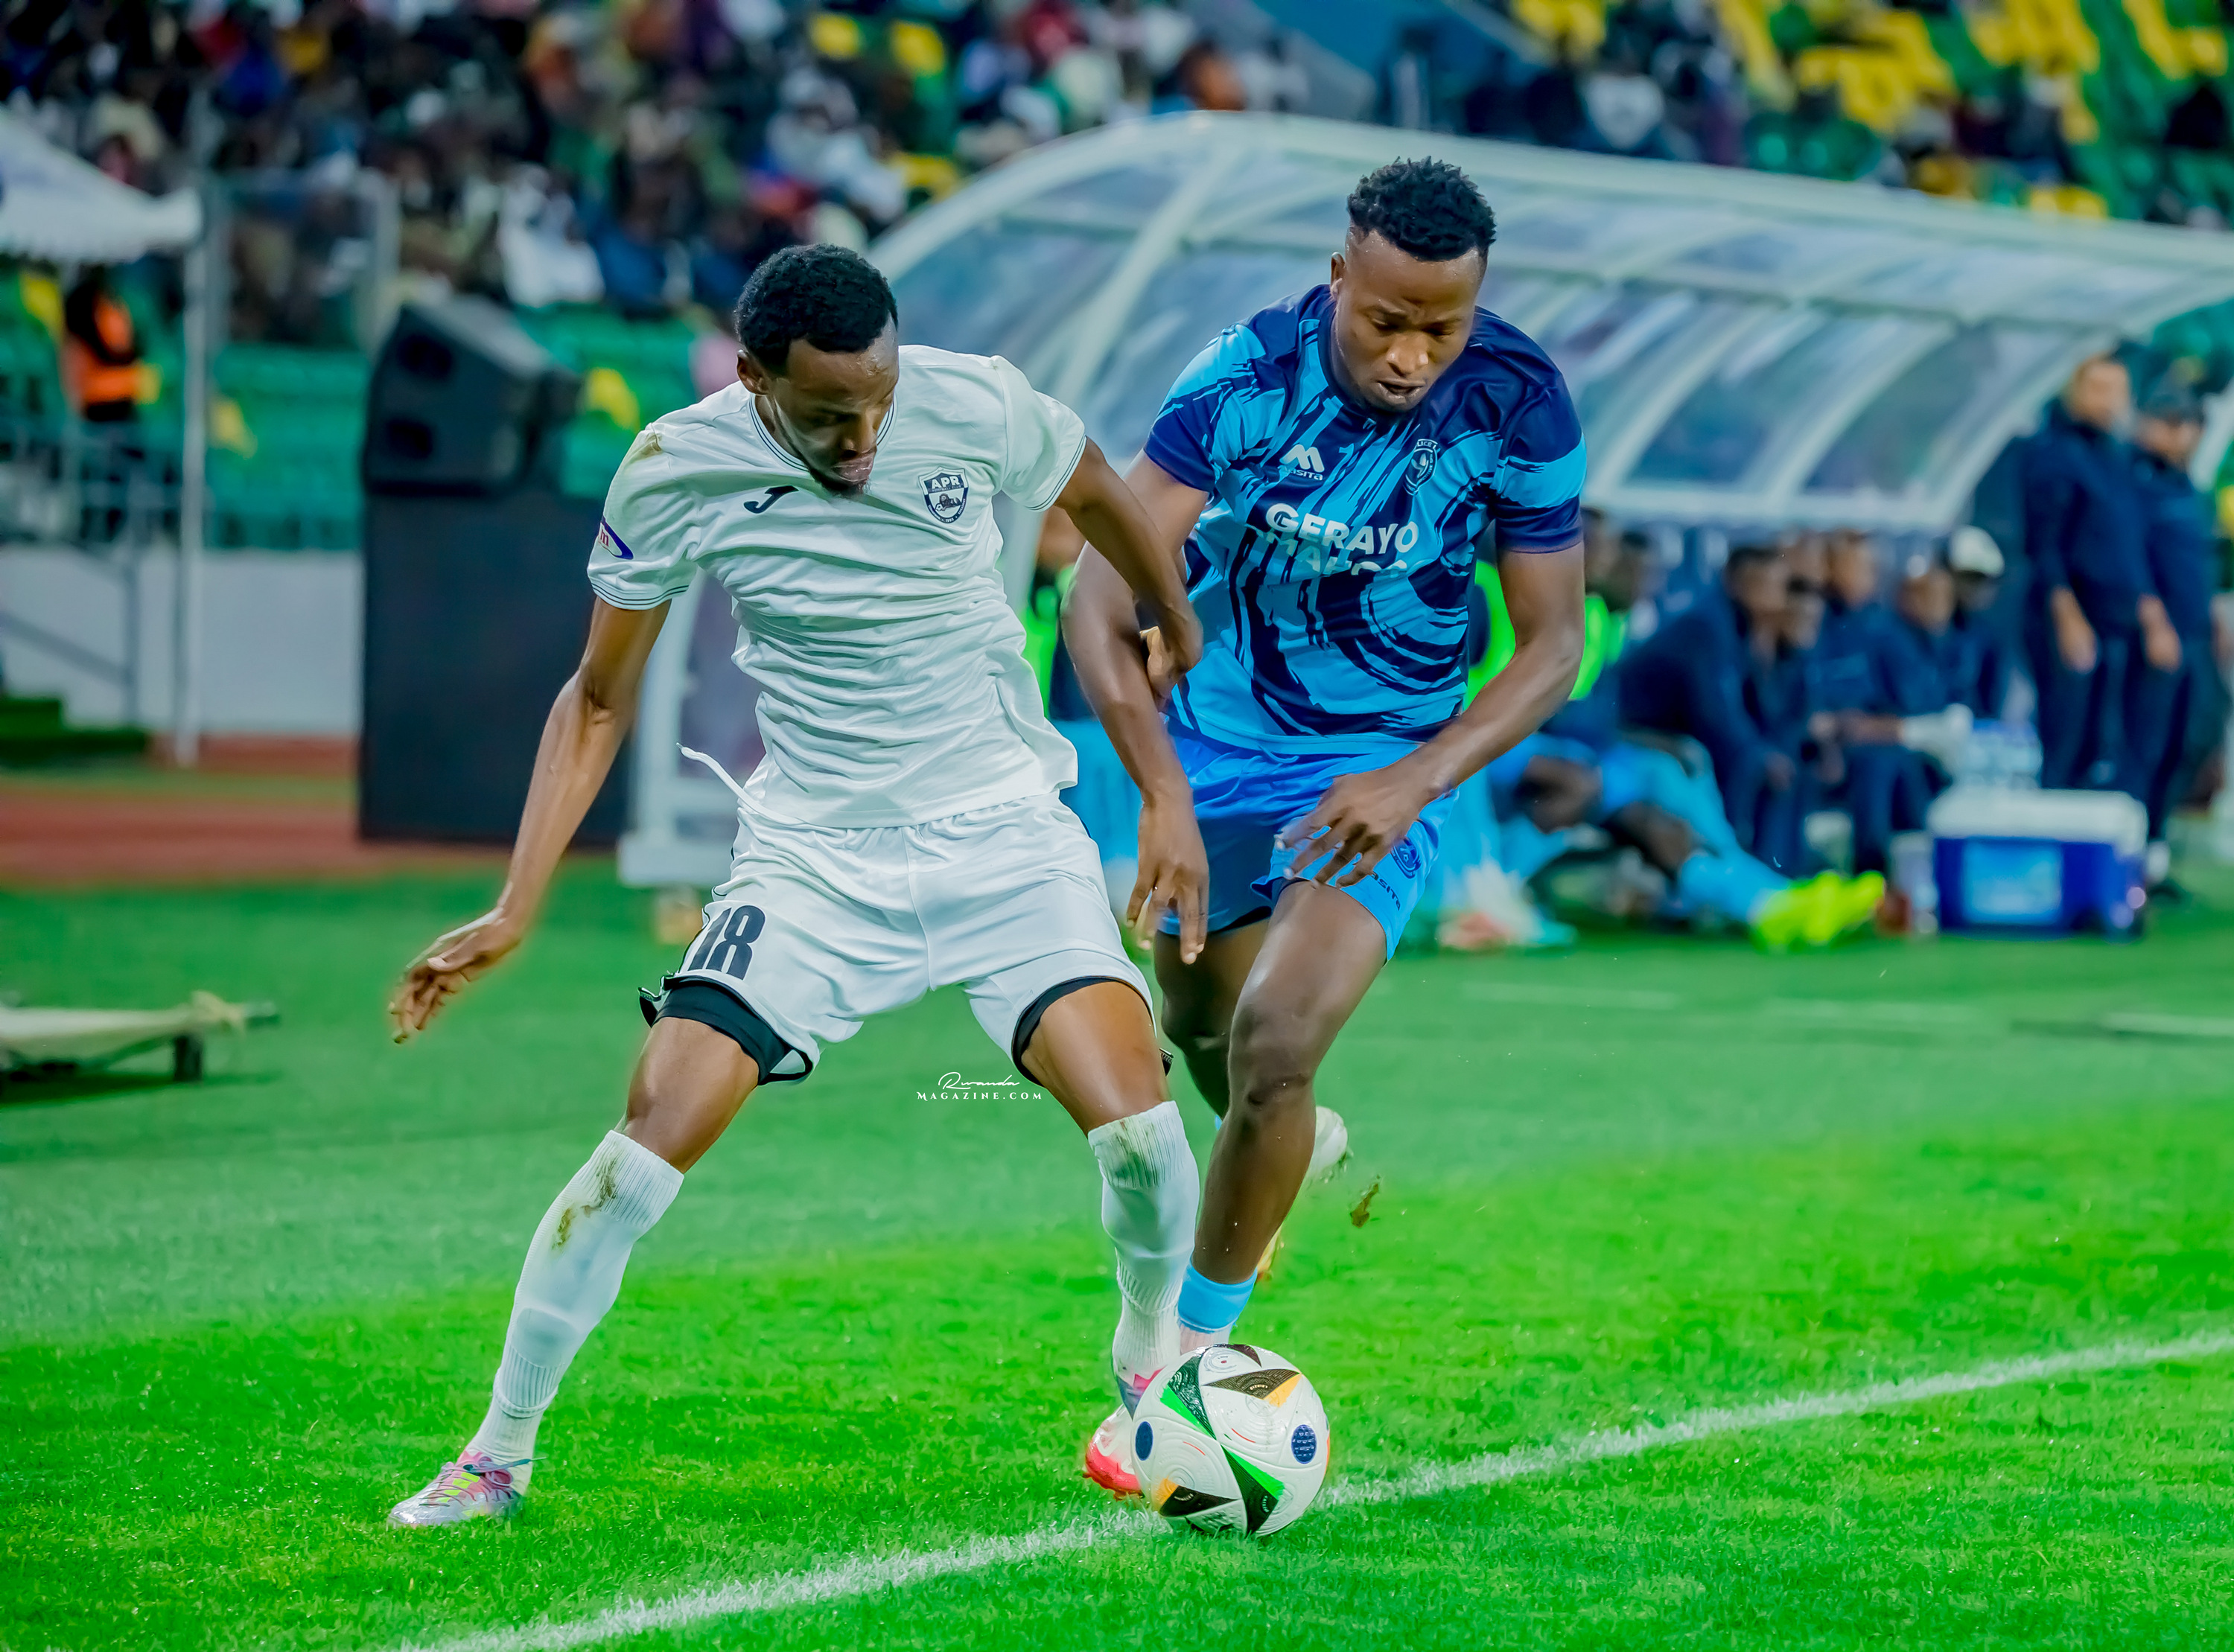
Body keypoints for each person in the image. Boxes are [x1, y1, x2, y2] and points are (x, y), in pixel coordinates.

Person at [381, 245, 1207, 1526]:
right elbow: (596, 697)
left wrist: (1170, 607)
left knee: (1145, 1135)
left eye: (879, 403)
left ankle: (1147, 1359)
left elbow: (1098, 488)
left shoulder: (978, 400)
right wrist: (515, 902)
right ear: (755, 378)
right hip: (813, 858)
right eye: (829, 416)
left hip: (1002, 833)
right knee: (642, 1145)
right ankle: (497, 1452)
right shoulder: (675, 464)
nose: (863, 439)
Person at [1062, 159, 1588, 1493]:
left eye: (1442, 327)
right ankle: (1286, 1147)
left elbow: (1552, 645)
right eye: (1386, 320)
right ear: (1339, 273)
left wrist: (1417, 778)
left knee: (1278, 1042)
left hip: (1381, 763)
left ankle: (1180, 1367)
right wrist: (1163, 799)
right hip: (1219, 749)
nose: (1413, 355)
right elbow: (1094, 597)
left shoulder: (1518, 399)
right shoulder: (1245, 376)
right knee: (1197, 1025)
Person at [2021, 356, 2183, 791]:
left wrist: (2151, 615)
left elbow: (2130, 550)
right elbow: (2044, 546)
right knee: (2066, 739)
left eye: (2116, 390)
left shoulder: (2118, 459)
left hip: (2118, 621)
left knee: (2110, 744)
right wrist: (2067, 618)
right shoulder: (2054, 453)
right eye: (2097, 388)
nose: (2107, 400)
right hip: (2071, 614)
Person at [1618, 543, 1798, 866]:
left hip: (1672, 736)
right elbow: (1715, 713)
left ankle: (1766, 867)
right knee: (1751, 764)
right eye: (1764, 585)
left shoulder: (1742, 628)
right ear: (1736, 582)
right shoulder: (1707, 627)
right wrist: (1761, 755)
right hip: (1636, 734)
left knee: (1777, 762)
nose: (1775, 597)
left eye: (1778, 587)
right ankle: (1738, 865)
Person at [2128, 386, 2224, 883]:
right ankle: (2132, 852)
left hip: (2197, 634)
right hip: (2158, 636)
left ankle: (2157, 851)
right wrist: (2153, 621)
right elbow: (2130, 560)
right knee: (2149, 743)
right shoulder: (2135, 483)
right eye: (2171, 423)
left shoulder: (2192, 490)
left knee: (2196, 734)